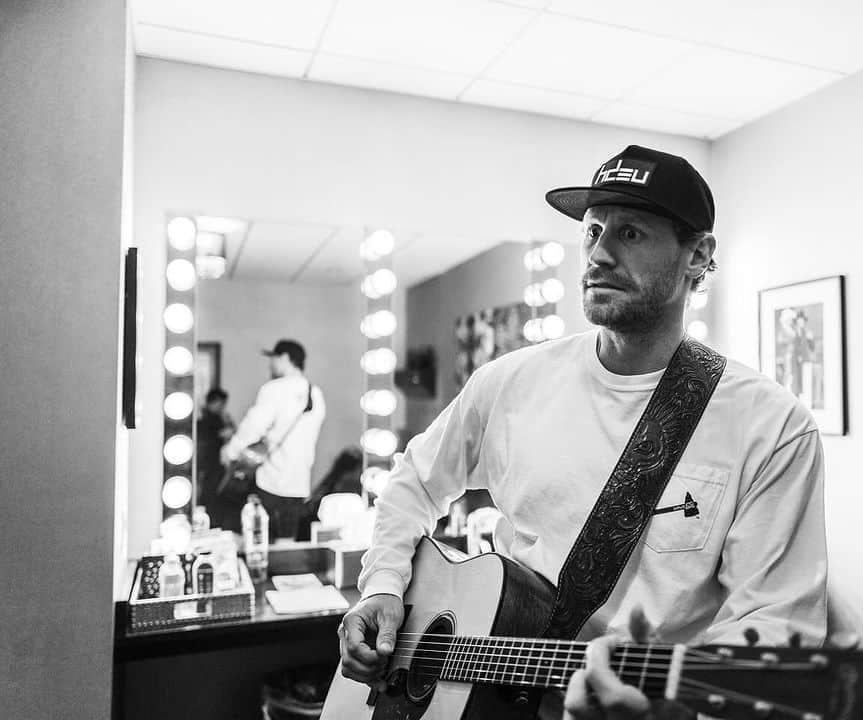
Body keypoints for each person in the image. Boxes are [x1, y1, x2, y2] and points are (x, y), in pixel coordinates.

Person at [337, 145, 827, 719]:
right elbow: (413, 480)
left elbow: (774, 628)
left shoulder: (770, 425)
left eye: (631, 234)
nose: (599, 254)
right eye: (593, 232)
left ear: (698, 254)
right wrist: (383, 586)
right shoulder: (510, 383)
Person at [221, 339, 326, 541]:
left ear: (285, 358)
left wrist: (230, 452)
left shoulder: (274, 389)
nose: (271, 365)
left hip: (269, 481)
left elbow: (252, 428)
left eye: (273, 359)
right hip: (299, 483)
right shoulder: (316, 394)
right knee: (286, 547)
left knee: (255, 542)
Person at [196, 387, 238, 531]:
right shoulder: (206, 422)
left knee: (215, 500)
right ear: (213, 402)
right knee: (211, 500)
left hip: (216, 467)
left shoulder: (218, 418)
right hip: (210, 466)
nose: (222, 408)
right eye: (220, 404)